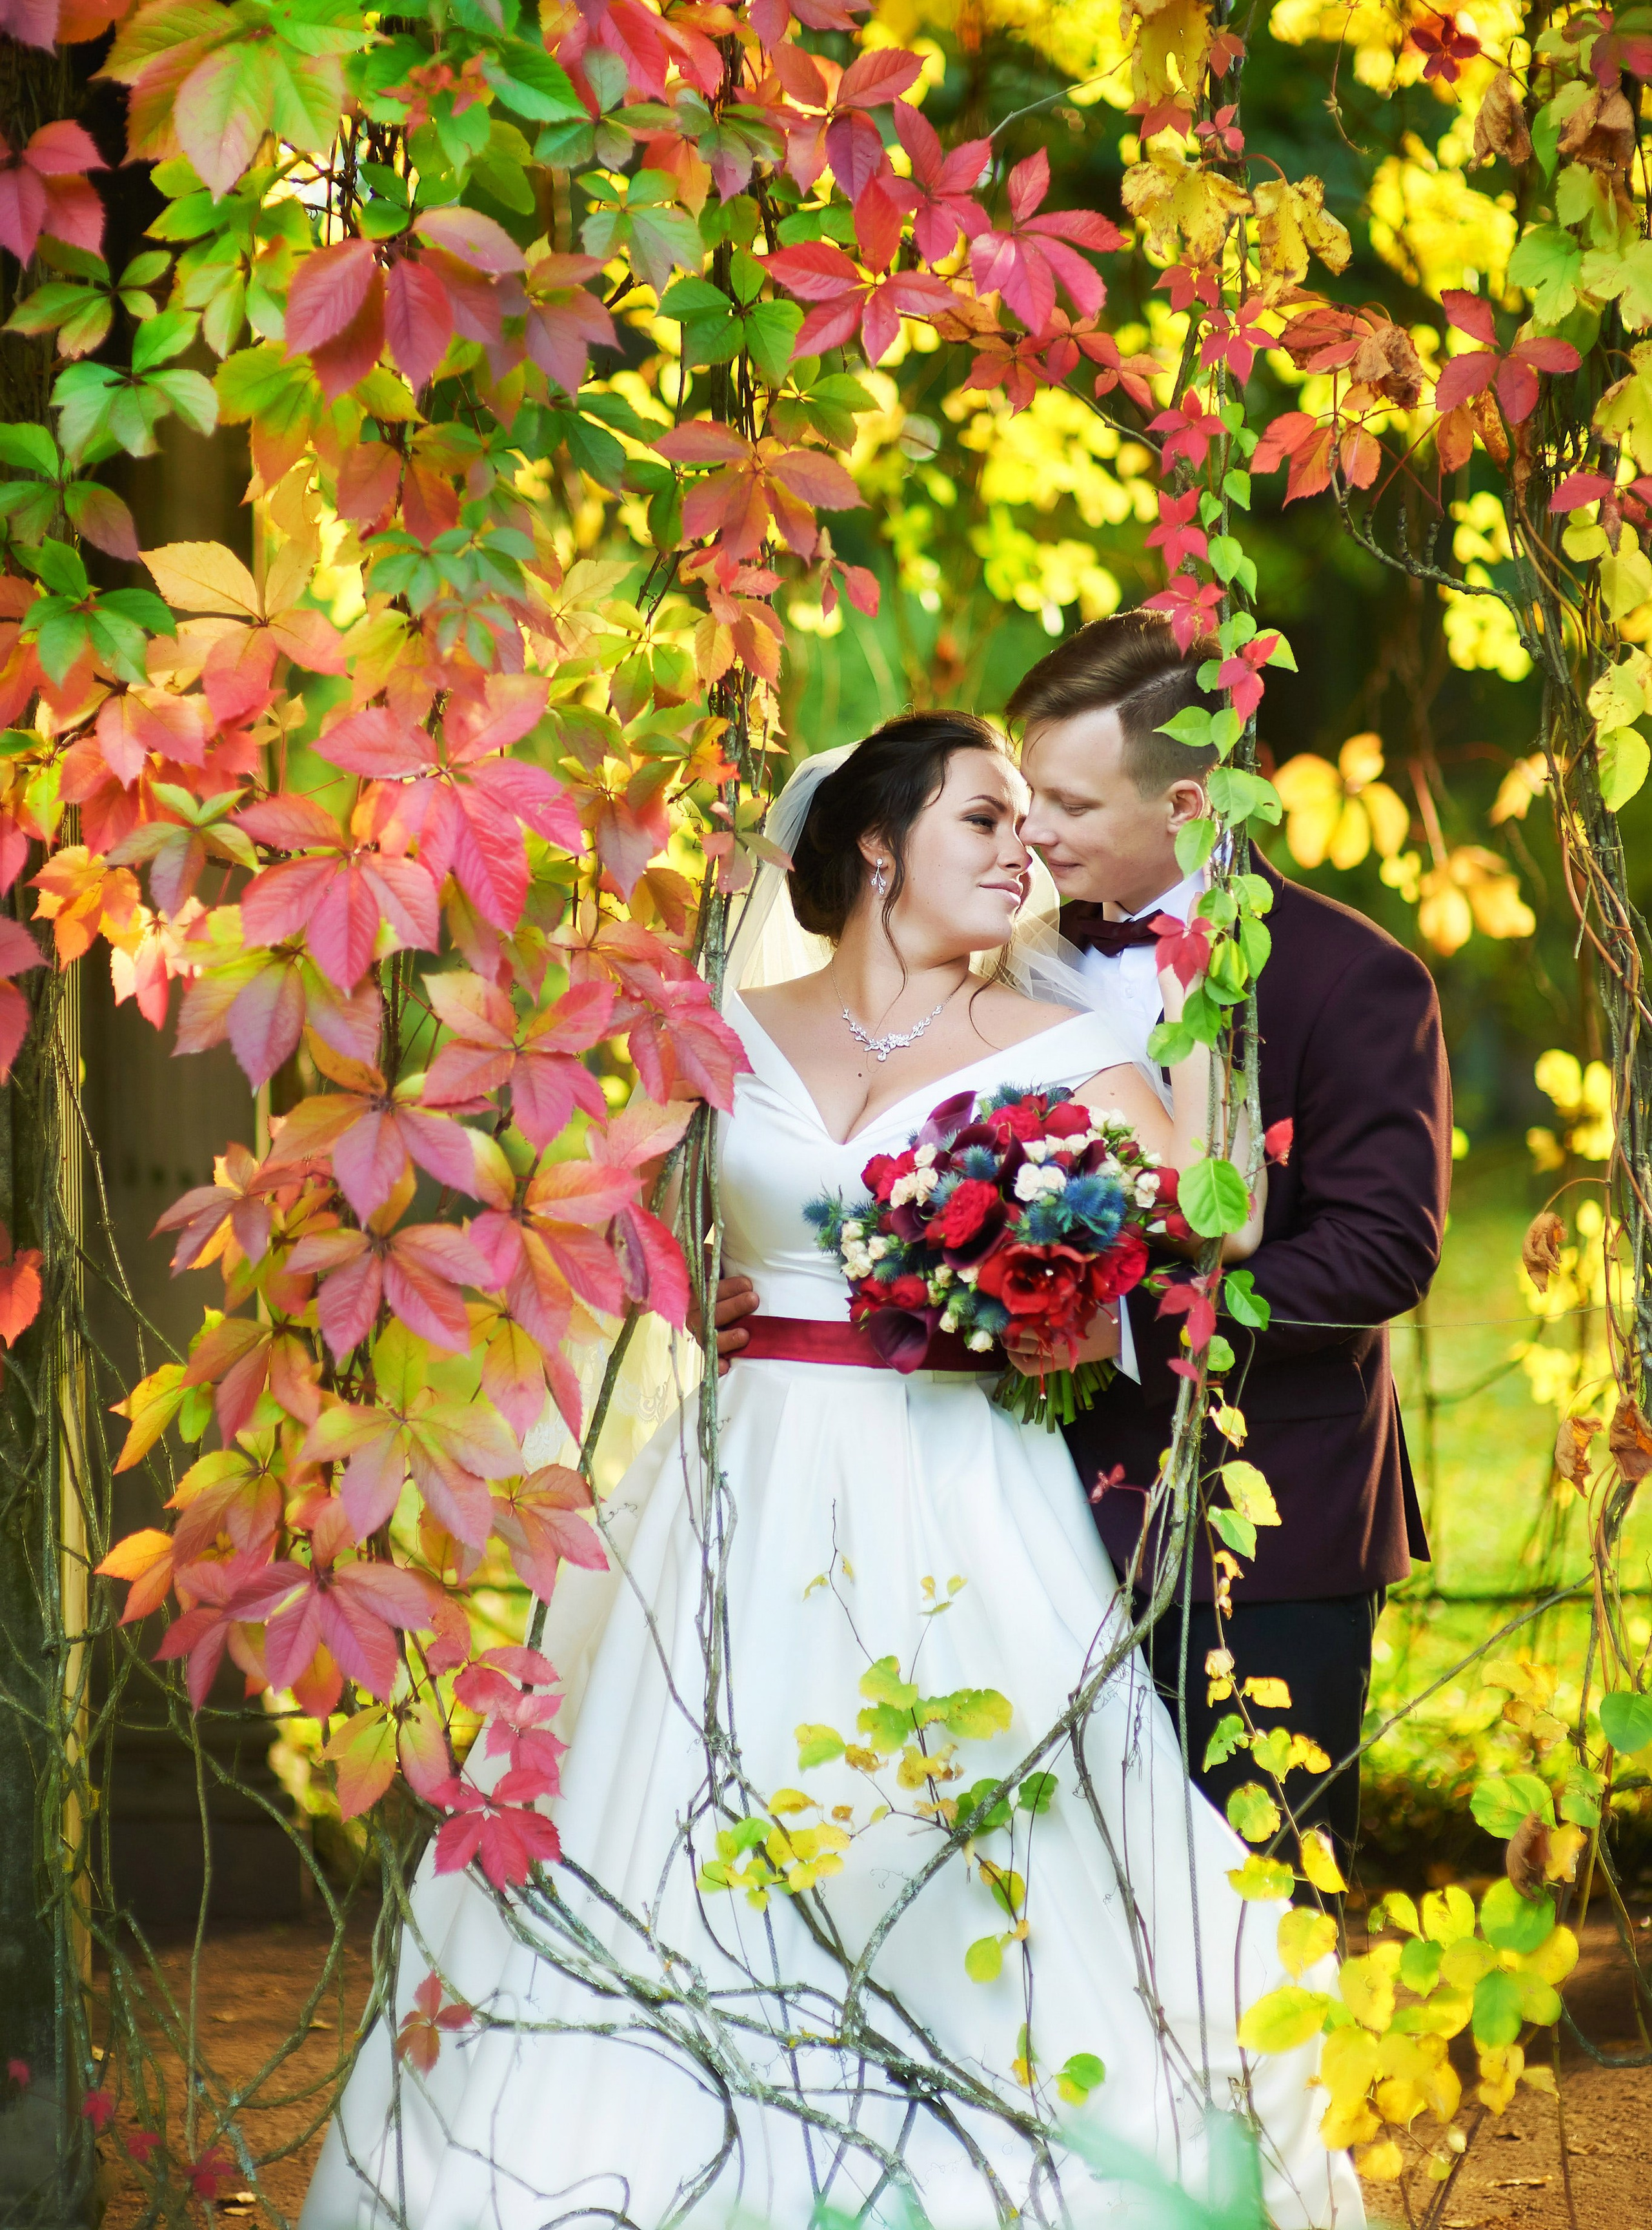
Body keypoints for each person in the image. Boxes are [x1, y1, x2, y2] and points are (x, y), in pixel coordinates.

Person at [301, 712, 1360, 2230]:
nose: (1023, 854)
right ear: (877, 844)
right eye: (983, 822)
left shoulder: (1072, 1048)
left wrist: (1194, 1047)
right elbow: (612, 1222)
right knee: (673, 1825)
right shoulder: (725, 1031)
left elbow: (1225, 1218)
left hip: (955, 1482)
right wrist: (686, 1291)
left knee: (951, 1824)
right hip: (736, 1480)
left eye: (1026, 826)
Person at [1008, 611, 1450, 1876]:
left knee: (1260, 1903)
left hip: (1267, 1525)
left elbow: (1377, 1255)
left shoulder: (1350, 979)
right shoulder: (996, 972)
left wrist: (1116, 1303)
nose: (1031, 827)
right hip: (1029, 1522)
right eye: (1025, 788)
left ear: (1188, 800)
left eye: (1067, 800)